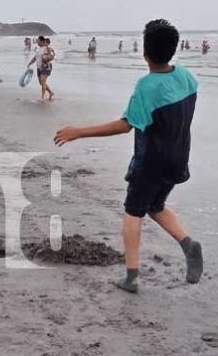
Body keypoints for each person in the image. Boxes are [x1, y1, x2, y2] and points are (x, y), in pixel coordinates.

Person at [53, 19, 203, 293]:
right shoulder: (186, 77)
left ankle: (132, 277)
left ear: (144, 52)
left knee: (133, 211)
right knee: (155, 206)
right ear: (174, 49)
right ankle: (187, 243)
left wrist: (79, 132)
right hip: (179, 157)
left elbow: (126, 124)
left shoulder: (146, 87)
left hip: (152, 162)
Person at [27, 36, 54, 100]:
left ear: (42, 41)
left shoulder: (47, 48)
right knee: (41, 83)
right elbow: (35, 57)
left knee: (43, 81)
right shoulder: (38, 49)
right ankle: (50, 92)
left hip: (46, 67)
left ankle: (42, 97)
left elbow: (52, 55)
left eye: (38, 40)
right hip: (39, 68)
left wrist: (47, 59)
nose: (37, 42)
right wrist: (30, 63)